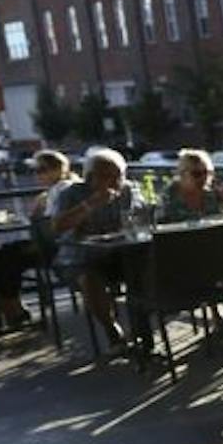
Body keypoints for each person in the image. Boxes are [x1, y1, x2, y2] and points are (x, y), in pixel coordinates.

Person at [48, 146, 143, 349]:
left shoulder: (127, 190)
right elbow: (57, 226)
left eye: (120, 176)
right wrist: (90, 204)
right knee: (90, 277)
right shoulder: (71, 194)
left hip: (118, 253)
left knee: (144, 268)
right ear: (90, 177)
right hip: (78, 257)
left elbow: (142, 217)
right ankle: (111, 328)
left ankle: (142, 329)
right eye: (108, 177)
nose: (116, 182)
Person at [0, 149, 73, 327]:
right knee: (2, 254)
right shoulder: (54, 191)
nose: (38, 174)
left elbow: (52, 229)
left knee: (3, 258)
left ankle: (11, 311)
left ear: (59, 169)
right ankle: (13, 309)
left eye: (43, 169)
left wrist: (37, 215)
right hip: (53, 244)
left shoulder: (59, 191)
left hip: (56, 248)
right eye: (36, 170)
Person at [156, 148, 223, 223]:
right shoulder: (168, 196)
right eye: (197, 174)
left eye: (207, 173)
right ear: (182, 174)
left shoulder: (215, 193)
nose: (204, 178)